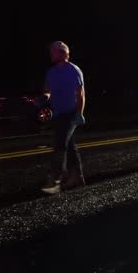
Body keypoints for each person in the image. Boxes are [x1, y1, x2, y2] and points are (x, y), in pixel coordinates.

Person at [41, 41, 86, 194]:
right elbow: (48, 91)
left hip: (71, 113)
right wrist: (43, 98)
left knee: (60, 145)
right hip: (58, 114)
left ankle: (55, 180)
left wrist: (79, 113)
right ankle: (77, 178)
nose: (50, 54)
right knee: (70, 146)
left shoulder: (73, 70)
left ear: (62, 53)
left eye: (53, 52)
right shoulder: (51, 72)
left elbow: (80, 94)